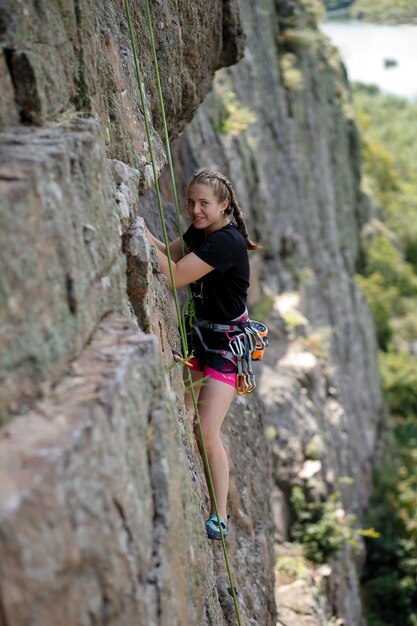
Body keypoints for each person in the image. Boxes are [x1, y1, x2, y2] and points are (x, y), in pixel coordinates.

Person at [147, 169, 260, 540]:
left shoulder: (226, 243)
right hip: (200, 338)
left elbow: (176, 276)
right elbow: (167, 253)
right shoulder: (202, 231)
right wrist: (138, 228)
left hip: (227, 347)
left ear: (223, 205)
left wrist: (136, 234)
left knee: (206, 429)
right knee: (184, 411)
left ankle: (220, 516)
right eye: (191, 202)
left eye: (204, 204)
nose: (195, 210)